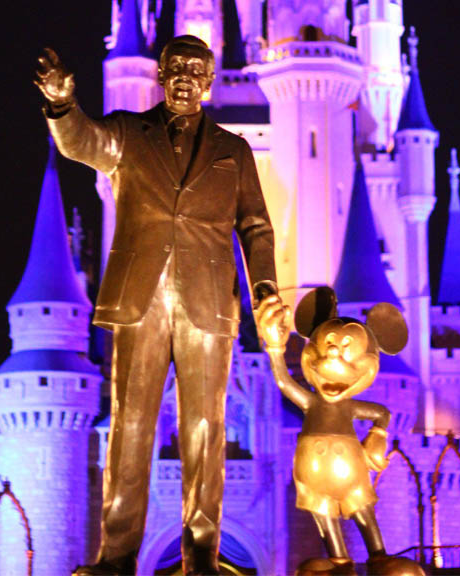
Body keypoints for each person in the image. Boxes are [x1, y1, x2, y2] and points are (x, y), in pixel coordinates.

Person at [35, 35, 284, 576]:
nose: (185, 77)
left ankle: (201, 556)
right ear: (160, 74)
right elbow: (82, 142)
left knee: (204, 429)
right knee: (129, 427)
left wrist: (266, 290)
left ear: (210, 80)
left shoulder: (233, 151)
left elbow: (257, 227)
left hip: (209, 304)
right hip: (140, 299)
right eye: (176, 67)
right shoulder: (129, 133)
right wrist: (61, 105)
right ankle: (118, 556)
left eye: (196, 69)